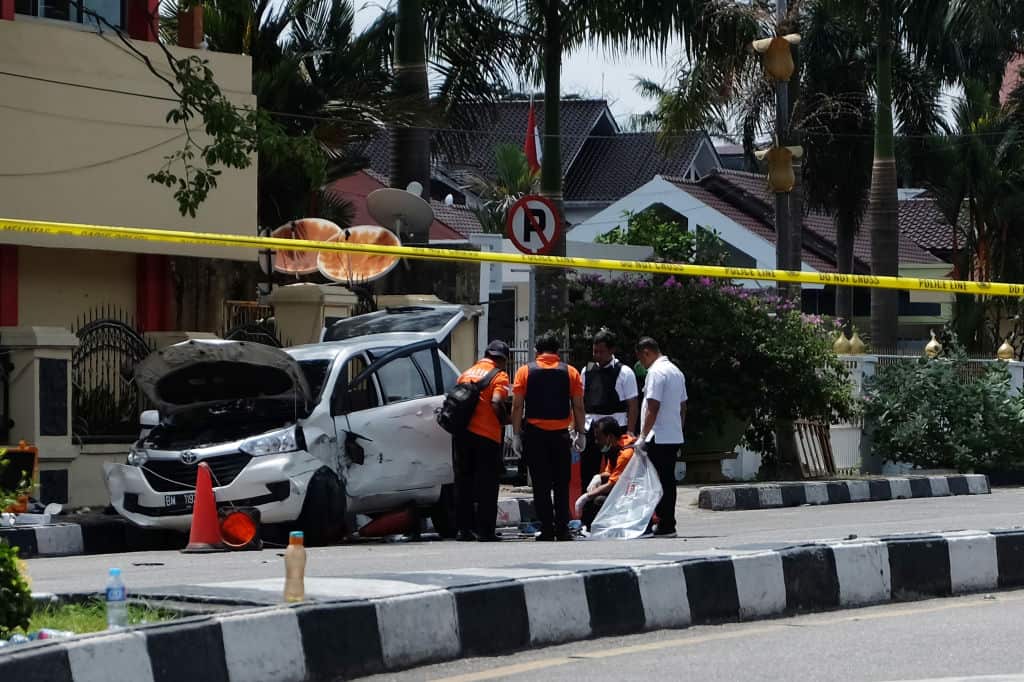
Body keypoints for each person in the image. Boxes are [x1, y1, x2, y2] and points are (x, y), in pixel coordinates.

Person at [511, 330, 586, 541]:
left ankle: (546, 529)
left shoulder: (525, 371)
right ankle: (562, 529)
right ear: (558, 351)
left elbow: (517, 406)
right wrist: (581, 433)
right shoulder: (571, 372)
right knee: (561, 484)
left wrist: (516, 434)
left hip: (535, 436)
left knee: (541, 485)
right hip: (561, 436)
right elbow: (578, 406)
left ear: (536, 351)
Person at [453, 340, 511, 542]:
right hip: (486, 438)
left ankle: (463, 530)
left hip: (462, 436)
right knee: (487, 485)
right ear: (503, 359)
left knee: (464, 483)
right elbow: (496, 402)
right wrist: (505, 420)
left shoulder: (466, 373)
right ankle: (486, 531)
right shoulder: (499, 375)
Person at [634, 337, 687, 538]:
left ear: (646, 352)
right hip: (672, 435)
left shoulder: (656, 372)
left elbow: (653, 407)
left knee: (653, 482)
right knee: (667, 480)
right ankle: (667, 522)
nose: (641, 363)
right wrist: (678, 430)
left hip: (657, 435)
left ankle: (659, 523)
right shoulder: (676, 371)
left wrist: (642, 435)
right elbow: (683, 407)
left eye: (641, 357)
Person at [580, 329, 639, 488]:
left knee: (615, 472)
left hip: (615, 428)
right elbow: (580, 401)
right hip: (591, 427)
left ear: (611, 350)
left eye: (601, 351)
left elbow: (632, 404)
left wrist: (630, 433)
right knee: (588, 472)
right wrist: (578, 429)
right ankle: (588, 510)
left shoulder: (624, 372)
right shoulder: (587, 371)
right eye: (595, 351)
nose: (597, 355)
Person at [576, 417, 637, 531]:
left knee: (598, 500)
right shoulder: (614, 449)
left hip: (634, 495)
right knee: (597, 490)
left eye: (599, 438)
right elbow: (609, 473)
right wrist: (598, 477)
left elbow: (611, 485)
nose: (596, 442)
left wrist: (586, 497)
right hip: (625, 489)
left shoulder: (625, 453)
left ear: (610, 437)